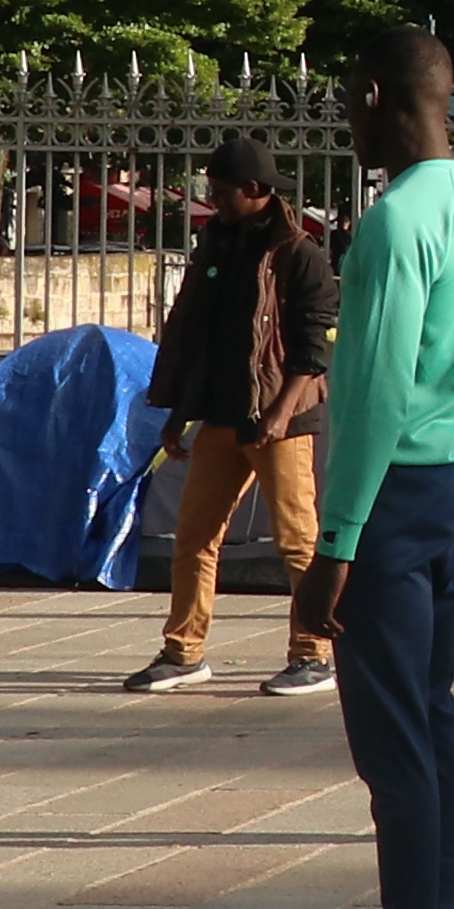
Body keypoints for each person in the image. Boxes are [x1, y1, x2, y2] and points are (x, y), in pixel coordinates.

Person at [276, 35, 454, 909]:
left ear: (377, 96)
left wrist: (335, 541)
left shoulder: (394, 219)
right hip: (453, 476)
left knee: (395, 743)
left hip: (393, 487)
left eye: (350, 101)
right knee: (434, 723)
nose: (348, 120)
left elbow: (369, 394)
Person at [121, 131, 339, 699]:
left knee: (298, 542)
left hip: (281, 421)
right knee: (194, 537)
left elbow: (313, 350)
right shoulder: (215, 245)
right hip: (220, 416)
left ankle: (314, 653)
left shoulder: (299, 255)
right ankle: (182, 652)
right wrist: (177, 413)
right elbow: (195, 334)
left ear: (255, 189)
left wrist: (280, 413)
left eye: (221, 190)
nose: (212, 199)